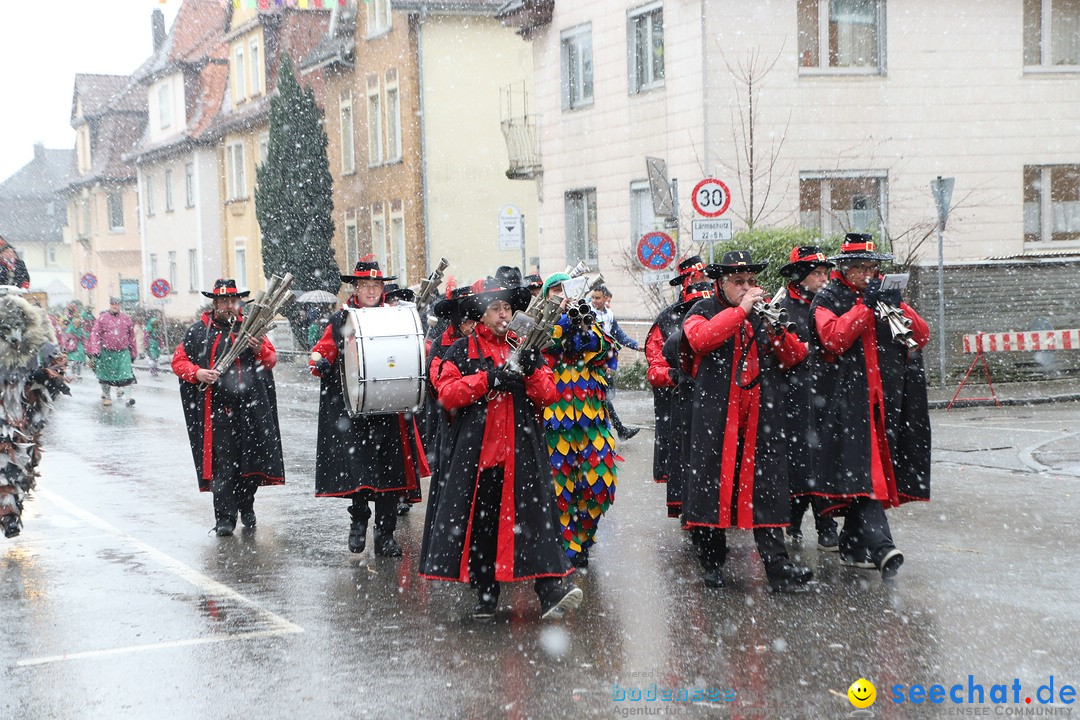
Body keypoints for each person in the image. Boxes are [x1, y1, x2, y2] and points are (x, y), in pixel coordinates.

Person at [419, 274, 582, 621]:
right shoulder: (460, 351)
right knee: (484, 528)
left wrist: (530, 371)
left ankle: (550, 590)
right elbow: (446, 394)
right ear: (481, 314)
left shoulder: (524, 347)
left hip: (522, 453)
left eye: (507, 307)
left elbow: (549, 394)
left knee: (536, 522)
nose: (504, 314)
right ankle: (486, 592)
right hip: (480, 458)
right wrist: (488, 379)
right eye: (496, 308)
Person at [681, 251, 813, 592]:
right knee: (713, 486)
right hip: (718, 416)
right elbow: (701, 339)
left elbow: (796, 355)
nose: (747, 288)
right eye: (738, 282)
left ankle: (778, 566)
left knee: (765, 488)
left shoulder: (763, 313)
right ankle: (712, 561)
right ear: (721, 284)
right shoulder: (701, 310)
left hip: (759, 416)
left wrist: (777, 331)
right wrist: (740, 312)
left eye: (751, 282)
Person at [808, 234, 931, 579]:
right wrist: (864, 307)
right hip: (846, 405)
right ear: (845, 269)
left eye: (873, 268)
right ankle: (881, 545)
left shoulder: (881, 298)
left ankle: (852, 544)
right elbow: (834, 338)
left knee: (868, 476)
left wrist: (899, 305)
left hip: (884, 402)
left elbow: (920, 336)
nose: (868, 274)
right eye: (862, 268)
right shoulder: (827, 298)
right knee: (865, 476)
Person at [310, 257, 429, 556]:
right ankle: (359, 520)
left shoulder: (396, 316)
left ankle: (385, 535)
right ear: (357, 288)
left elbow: (413, 347)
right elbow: (323, 351)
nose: (372, 290)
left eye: (376, 285)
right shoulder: (342, 319)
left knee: (390, 476)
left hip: (389, 408)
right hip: (356, 409)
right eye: (366, 285)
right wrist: (321, 363)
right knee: (360, 474)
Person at [171, 279, 285, 536]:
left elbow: (271, 359)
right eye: (223, 301)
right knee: (223, 467)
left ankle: (247, 505)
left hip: (250, 409)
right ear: (214, 303)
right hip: (217, 412)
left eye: (232, 301)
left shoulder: (252, 327)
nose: (228, 306)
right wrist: (198, 372)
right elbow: (179, 362)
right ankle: (225, 517)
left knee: (249, 464)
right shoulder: (198, 332)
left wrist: (259, 350)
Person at [540, 273, 620, 569]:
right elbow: (542, 348)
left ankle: (584, 538)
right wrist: (560, 322)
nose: (563, 295)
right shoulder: (540, 324)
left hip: (592, 421)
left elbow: (606, 352)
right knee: (561, 488)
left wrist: (584, 328)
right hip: (555, 423)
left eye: (567, 289)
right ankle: (568, 547)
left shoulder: (589, 317)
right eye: (556, 290)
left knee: (600, 481)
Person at [775, 246, 840, 551]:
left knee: (825, 461)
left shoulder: (829, 304)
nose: (823, 279)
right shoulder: (782, 307)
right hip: (793, 397)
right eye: (817, 273)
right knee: (800, 463)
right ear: (801, 277)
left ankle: (827, 524)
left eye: (825, 273)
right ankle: (795, 519)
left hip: (827, 395)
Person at [0, 290, 69, 538]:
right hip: (2, 415)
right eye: (7, 329)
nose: (14, 336)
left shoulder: (40, 343)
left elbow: (57, 368)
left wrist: (43, 377)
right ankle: (9, 515)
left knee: (22, 463)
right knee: (4, 463)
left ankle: (12, 509)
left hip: (25, 415)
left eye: (17, 327)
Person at [645, 279, 714, 518]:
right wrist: (673, 376)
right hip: (683, 409)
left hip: (716, 411)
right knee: (686, 462)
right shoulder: (672, 332)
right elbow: (655, 368)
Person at [590, 285, 640, 441]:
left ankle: (612, 430)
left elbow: (620, 336)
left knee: (606, 397)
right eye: (593, 297)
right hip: (593, 364)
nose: (594, 301)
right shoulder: (588, 314)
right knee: (603, 398)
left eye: (598, 298)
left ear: (606, 299)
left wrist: (636, 345)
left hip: (604, 365)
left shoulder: (609, 315)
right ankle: (618, 430)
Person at [87, 297, 137, 406]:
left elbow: (132, 337)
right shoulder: (102, 319)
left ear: (120, 305)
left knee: (126, 374)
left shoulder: (126, 319)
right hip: (106, 352)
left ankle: (128, 398)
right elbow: (95, 335)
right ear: (110, 305)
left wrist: (133, 352)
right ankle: (107, 396)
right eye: (113, 304)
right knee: (105, 375)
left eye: (118, 304)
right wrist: (95, 349)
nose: (115, 306)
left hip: (123, 352)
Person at [60, 302, 90, 379]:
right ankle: (74, 373)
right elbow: (66, 333)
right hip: (72, 344)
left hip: (78, 344)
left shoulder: (80, 326)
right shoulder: (68, 321)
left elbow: (83, 338)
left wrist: (85, 347)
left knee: (79, 360)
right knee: (73, 360)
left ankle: (78, 373)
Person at [144, 311, 165, 377]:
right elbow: (146, 338)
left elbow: (160, 338)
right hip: (151, 344)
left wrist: (161, 344)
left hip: (156, 345)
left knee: (156, 357)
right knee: (153, 357)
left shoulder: (158, 330)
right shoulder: (148, 330)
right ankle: (153, 369)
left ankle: (154, 367)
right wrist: (146, 345)